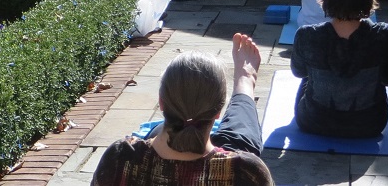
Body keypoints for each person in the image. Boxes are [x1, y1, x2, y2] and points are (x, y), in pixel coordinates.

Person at [92, 33, 274, 185]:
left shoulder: (120, 157)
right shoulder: (247, 171)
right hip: (233, 168)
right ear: (218, 112)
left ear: (161, 103)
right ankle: (245, 81)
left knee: (158, 131)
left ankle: (244, 82)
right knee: (239, 139)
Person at [291, 0, 388, 138]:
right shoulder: (385, 34)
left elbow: (298, 72)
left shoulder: (306, 35)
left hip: (313, 121)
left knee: (307, 77)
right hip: (369, 124)